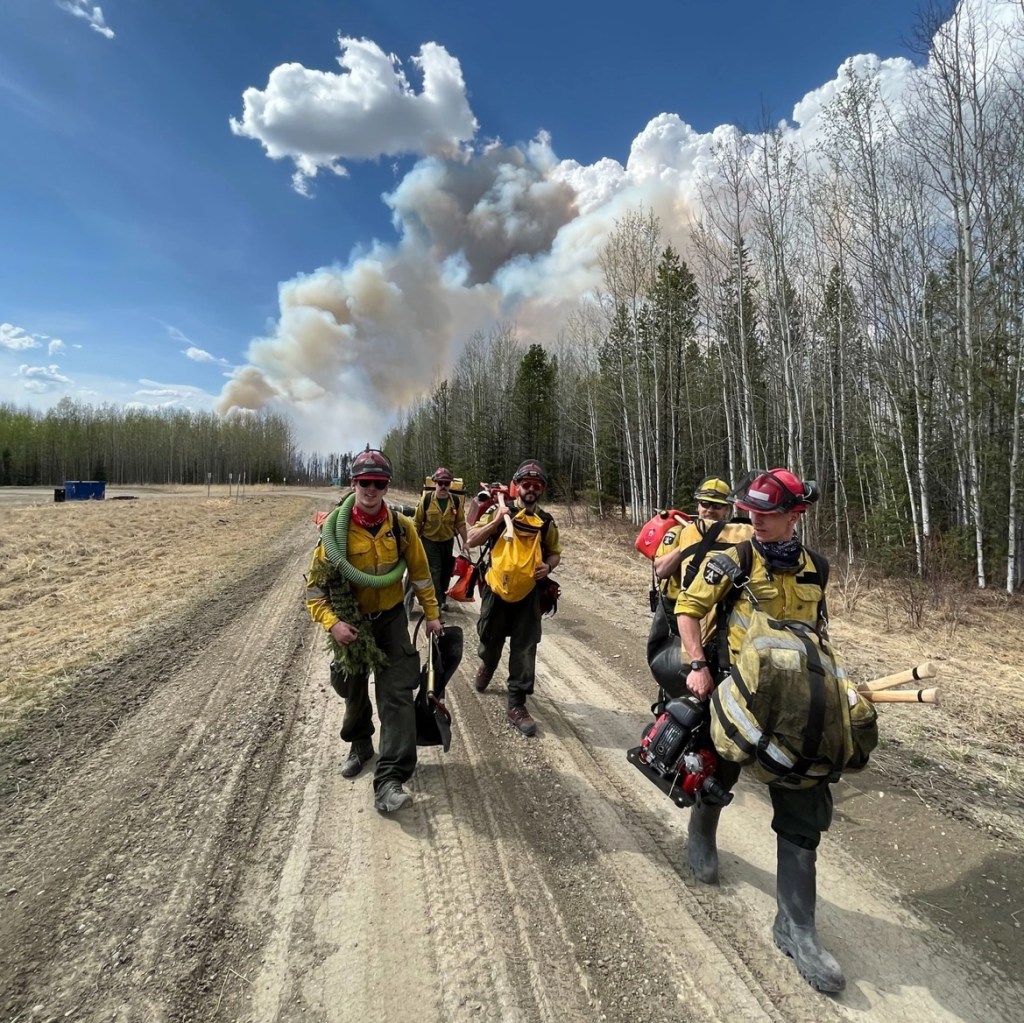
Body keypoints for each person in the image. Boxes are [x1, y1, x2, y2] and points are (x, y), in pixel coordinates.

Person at [674, 468, 845, 994]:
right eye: (751, 511)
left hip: (794, 706)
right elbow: (688, 609)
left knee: (803, 804)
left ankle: (798, 929)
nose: (755, 520)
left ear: (797, 515)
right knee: (717, 774)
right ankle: (701, 835)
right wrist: (697, 665)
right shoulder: (733, 558)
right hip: (735, 693)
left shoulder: (817, 567)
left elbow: (817, 630)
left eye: (767, 514)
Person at [305, 447, 442, 814]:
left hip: (392, 619)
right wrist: (333, 624)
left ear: (386, 486)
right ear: (354, 483)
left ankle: (390, 779)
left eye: (378, 483)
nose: (370, 489)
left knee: (396, 694)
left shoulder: (402, 528)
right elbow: (314, 590)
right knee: (350, 686)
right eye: (364, 482)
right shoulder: (335, 531)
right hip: (351, 621)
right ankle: (360, 742)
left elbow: (421, 575)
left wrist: (431, 615)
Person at [465, 459, 561, 736]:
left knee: (525, 647)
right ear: (516, 486)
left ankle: (517, 703)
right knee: (489, 638)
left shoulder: (545, 521)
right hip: (496, 589)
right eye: (526, 484)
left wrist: (549, 566)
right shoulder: (499, 510)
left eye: (537, 485)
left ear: (541, 490)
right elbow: (471, 539)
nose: (530, 489)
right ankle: (488, 663)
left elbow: (555, 552)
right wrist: (497, 520)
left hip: (529, 592)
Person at [414, 467, 468, 613]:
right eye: (440, 483)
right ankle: (435, 603)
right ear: (435, 483)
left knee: (446, 572)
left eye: (447, 483)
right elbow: (417, 522)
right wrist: (413, 542)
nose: (444, 486)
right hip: (429, 542)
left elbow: (461, 523)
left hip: (447, 542)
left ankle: (442, 600)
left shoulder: (455, 501)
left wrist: (466, 542)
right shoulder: (426, 500)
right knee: (435, 571)